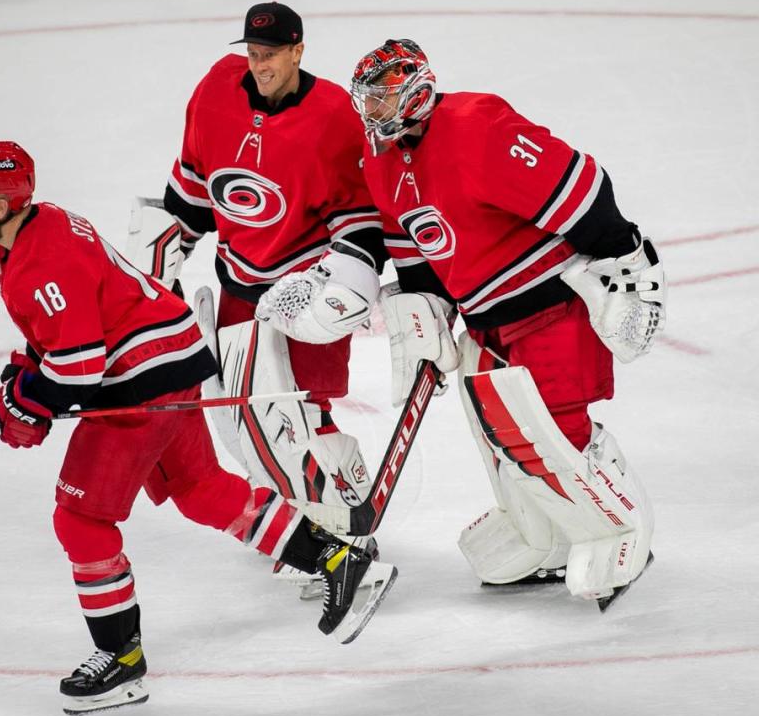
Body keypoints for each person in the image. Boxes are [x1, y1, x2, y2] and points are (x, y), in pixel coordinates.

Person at [0, 141, 398, 715]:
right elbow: (65, 337)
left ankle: (121, 662)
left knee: (80, 518)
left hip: (144, 382)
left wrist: (28, 403)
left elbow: (80, 367)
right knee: (201, 490)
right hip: (170, 358)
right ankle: (338, 560)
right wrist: (24, 382)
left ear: (4, 204)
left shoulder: (41, 261)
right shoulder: (34, 231)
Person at [266, 39, 666, 608]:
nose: (370, 112)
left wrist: (626, 257)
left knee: (556, 431)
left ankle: (619, 530)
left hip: (548, 307)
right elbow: (413, 248)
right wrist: (426, 310)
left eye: (380, 99)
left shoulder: (478, 125)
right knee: (502, 436)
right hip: (484, 321)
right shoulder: (382, 159)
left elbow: (579, 189)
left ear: (415, 89)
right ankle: (542, 537)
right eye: (367, 101)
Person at [160, 2, 389, 595]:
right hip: (239, 284)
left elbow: (361, 219)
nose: (258, 66)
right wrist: (162, 265)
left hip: (307, 286)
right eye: (252, 54)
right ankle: (306, 529)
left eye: (270, 55)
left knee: (306, 414)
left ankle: (353, 527)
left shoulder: (335, 113)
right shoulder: (215, 90)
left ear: (298, 51)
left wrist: (344, 284)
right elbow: (191, 191)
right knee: (252, 423)